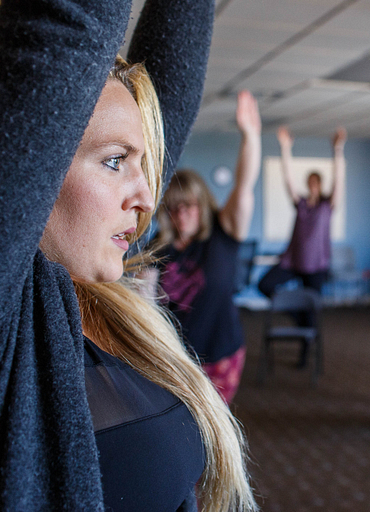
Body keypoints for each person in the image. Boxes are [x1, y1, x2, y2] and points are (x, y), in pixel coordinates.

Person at [0, 1, 255, 511]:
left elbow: (173, 77)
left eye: (140, 164)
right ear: (20, 160)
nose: (146, 199)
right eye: (115, 161)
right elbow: (67, 26)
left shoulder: (80, 294)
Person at [153, 91, 261, 404]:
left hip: (220, 352)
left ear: (201, 205)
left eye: (188, 205)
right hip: (176, 357)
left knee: (213, 429)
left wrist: (251, 138)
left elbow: (243, 189)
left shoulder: (222, 235)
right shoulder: (158, 249)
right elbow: (146, 301)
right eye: (174, 207)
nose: (181, 213)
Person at [258, 125, 347, 298]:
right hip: (293, 260)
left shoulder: (327, 205)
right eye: (310, 181)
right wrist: (285, 148)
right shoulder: (301, 203)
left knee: (312, 309)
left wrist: (338, 149)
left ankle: (305, 320)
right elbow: (288, 179)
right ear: (307, 184)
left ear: (321, 184)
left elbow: (339, 179)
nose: (312, 185)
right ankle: (294, 312)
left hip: (317, 264)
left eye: (316, 182)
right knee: (265, 285)